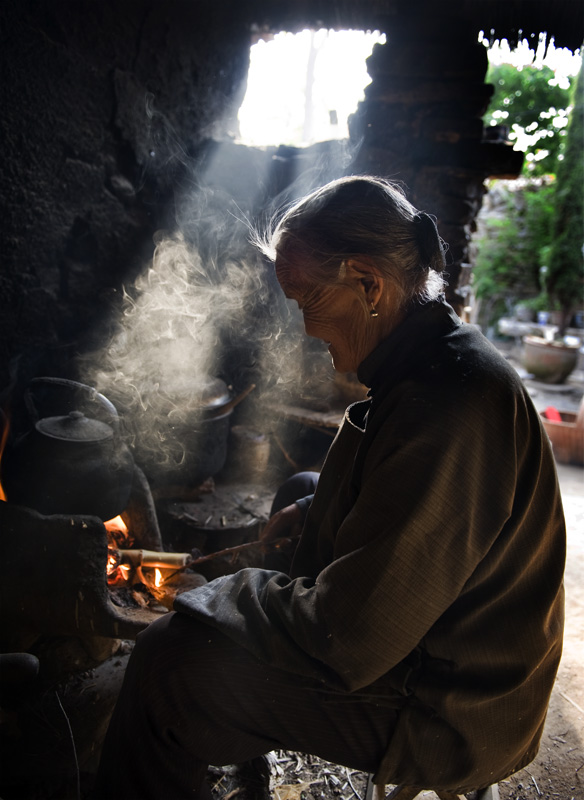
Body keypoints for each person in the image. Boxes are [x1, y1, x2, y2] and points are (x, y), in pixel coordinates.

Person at [94, 176, 565, 799]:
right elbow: (407, 498)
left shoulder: (449, 407)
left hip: (454, 702)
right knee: (303, 487)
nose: (307, 328)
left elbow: (353, 638)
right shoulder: (434, 356)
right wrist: (317, 508)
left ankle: (206, 721)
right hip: (437, 628)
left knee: (165, 663)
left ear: (367, 283)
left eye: (307, 300)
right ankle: (240, 727)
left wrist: (230, 594)